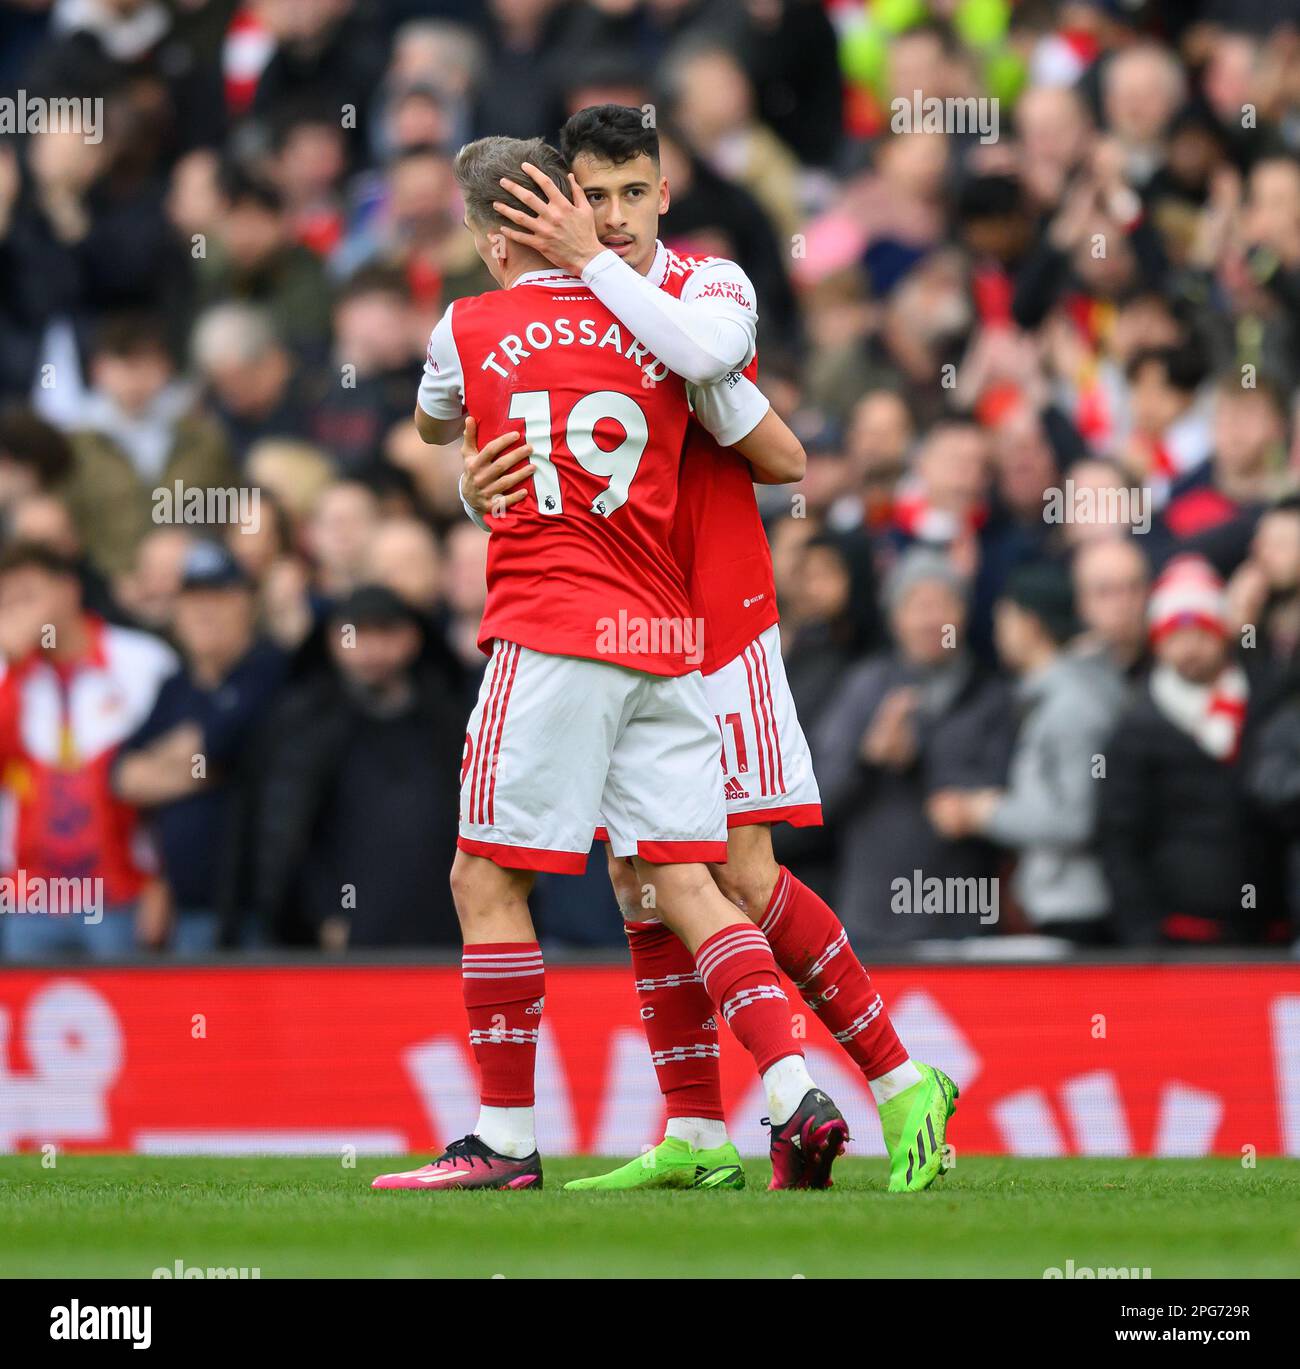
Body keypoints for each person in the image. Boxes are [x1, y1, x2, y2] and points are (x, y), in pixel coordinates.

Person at [455, 106, 957, 1195]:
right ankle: (693, 1127)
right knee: (644, 870)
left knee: (732, 870)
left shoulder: (707, 285)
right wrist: (470, 482)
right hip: (620, 624)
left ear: (665, 192)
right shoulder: (541, 324)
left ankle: (899, 1073)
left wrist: (593, 268)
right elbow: (486, 442)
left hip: (716, 621)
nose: (617, 215)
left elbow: (779, 449)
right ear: (554, 201)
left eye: (635, 191)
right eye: (593, 195)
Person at [371, 135, 851, 1194]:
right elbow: (774, 451)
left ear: (493, 235)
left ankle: (502, 1138)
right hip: (667, 639)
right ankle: (789, 1091)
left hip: (550, 630)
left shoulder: (468, 323)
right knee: (688, 879)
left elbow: (429, 419)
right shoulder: (665, 332)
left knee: (484, 875)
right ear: (574, 209)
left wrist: (474, 478)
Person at [928, 563, 1128, 944]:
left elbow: (1076, 819)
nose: (997, 633)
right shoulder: (1049, 696)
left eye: (1003, 619)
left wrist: (983, 812)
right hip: (1056, 902)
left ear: (1030, 623)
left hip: (1078, 909)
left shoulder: (1073, 705)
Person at [0, 542, 176, 960]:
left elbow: (178, 779)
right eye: (6, 601)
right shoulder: (7, 672)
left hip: (121, 894)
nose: (18, 613)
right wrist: (13, 665)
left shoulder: (142, 661)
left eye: (28, 596)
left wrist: (165, 882)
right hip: (30, 899)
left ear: (68, 590)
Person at [113, 542, 287, 952]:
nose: (203, 612)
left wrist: (188, 757)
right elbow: (123, 777)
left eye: (219, 598)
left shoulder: (269, 669)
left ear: (246, 603)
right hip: (186, 909)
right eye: (192, 600)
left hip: (255, 910)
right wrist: (199, 761)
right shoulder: (175, 687)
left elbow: (222, 747)